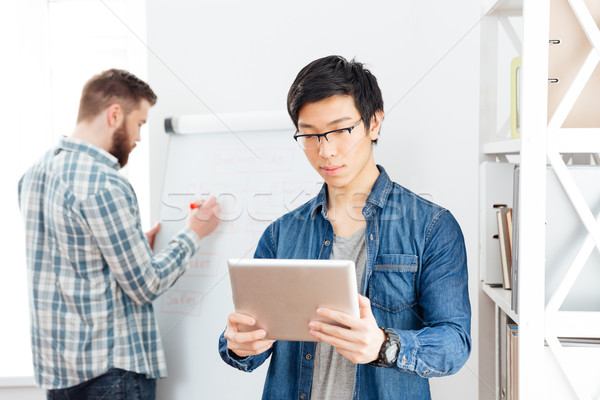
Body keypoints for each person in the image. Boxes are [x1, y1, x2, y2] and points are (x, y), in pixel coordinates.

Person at [218, 56, 471, 399]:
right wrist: (240, 344)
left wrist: (384, 345)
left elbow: (455, 342)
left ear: (374, 123)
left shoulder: (432, 227)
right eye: (309, 135)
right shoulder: (281, 234)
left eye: (340, 130)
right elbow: (251, 341)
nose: (326, 150)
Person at [18, 69, 221, 399]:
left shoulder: (34, 174)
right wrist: (193, 233)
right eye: (140, 123)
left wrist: (134, 247)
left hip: (59, 374)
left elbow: (70, 260)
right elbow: (147, 285)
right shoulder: (106, 183)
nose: (140, 137)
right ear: (115, 114)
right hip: (111, 375)